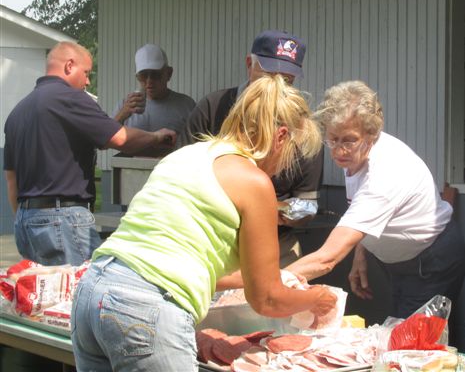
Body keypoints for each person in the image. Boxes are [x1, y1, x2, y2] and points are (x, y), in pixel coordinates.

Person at [71, 76, 337, 372]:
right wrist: (316, 297)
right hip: (146, 308)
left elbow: (183, 261)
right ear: (281, 137)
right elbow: (267, 300)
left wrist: (276, 276)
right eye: (292, 153)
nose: (286, 164)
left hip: (93, 291)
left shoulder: (187, 155)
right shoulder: (253, 181)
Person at [286, 80, 465, 319]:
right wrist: (360, 254)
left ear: (371, 134)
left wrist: (271, 284)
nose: (339, 150)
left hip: (431, 262)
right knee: (398, 331)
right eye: (333, 139)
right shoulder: (354, 153)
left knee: (410, 348)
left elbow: (327, 258)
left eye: (348, 140)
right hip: (399, 261)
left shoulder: (385, 172)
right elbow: (364, 211)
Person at [3, 42, 177, 267]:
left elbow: (11, 180)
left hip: (25, 222)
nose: (87, 82)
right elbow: (118, 138)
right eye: (86, 73)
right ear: (69, 66)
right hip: (63, 219)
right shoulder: (71, 98)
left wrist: (24, 219)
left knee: (44, 297)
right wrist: (156, 137)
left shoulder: (18, 112)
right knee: (82, 293)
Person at [178, 30, 323, 266]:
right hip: (207, 238)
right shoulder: (213, 107)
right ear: (249, 64)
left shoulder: (303, 125)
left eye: (286, 79)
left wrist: (269, 211)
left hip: (276, 243)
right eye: (268, 74)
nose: (276, 85)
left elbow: (308, 204)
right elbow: (181, 177)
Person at [113, 43, 195, 142]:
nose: (149, 81)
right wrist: (123, 113)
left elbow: (200, 144)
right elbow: (105, 137)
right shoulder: (125, 105)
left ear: (168, 73)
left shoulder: (186, 105)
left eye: (155, 75)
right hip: (129, 158)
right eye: (143, 75)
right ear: (137, 76)